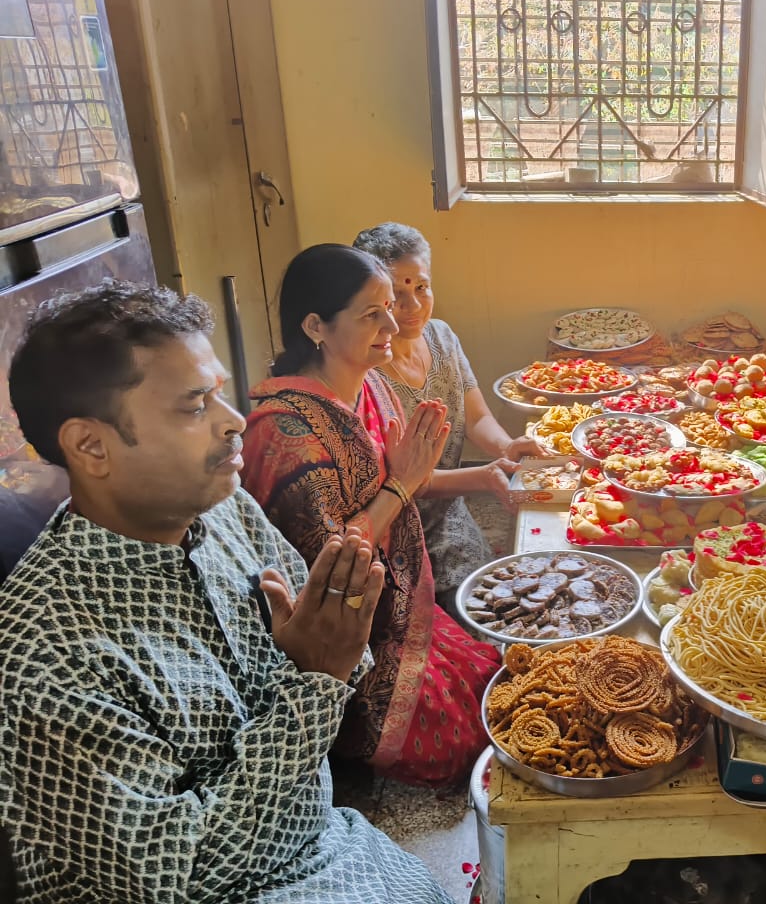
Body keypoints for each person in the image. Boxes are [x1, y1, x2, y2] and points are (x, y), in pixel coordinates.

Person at [0, 279, 450, 903]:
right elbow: (184, 875)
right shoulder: (49, 654)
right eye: (193, 407)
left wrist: (321, 665)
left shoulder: (224, 508)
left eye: (218, 394)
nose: (235, 421)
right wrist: (312, 682)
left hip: (318, 840)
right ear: (90, 445)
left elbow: (339, 650)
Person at [240, 244, 499, 785]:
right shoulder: (285, 433)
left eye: (392, 305)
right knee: (463, 745)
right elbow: (332, 566)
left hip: (398, 605)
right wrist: (402, 484)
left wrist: (492, 472)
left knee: (495, 683)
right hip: (340, 641)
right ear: (316, 325)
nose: (394, 321)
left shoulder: (372, 385)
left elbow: (411, 478)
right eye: (371, 313)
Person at [354, 222, 547, 597]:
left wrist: (506, 448)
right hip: (399, 528)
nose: (413, 306)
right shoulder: (367, 371)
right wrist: (483, 476)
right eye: (396, 295)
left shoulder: (440, 335)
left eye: (421, 287)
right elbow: (401, 481)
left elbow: (475, 417)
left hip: (450, 513)